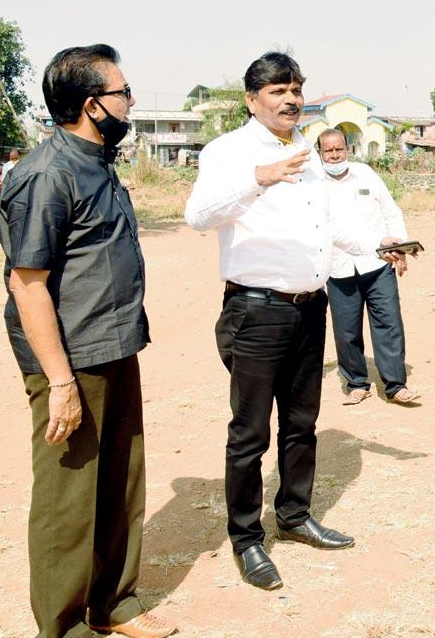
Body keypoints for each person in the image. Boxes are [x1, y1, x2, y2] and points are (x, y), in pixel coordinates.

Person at [0, 44, 176, 638]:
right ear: (91, 104)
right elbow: (28, 286)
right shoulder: (45, 174)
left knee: (120, 481)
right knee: (68, 499)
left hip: (115, 344)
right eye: (123, 93)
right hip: (70, 359)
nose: (130, 101)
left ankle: (112, 604)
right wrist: (59, 382)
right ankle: (63, 624)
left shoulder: (98, 161)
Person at [184, 52, 379, 591]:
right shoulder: (229, 152)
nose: (290, 99)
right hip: (256, 310)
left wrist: (380, 245)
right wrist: (258, 179)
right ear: (252, 99)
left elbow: (328, 222)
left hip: (308, 307)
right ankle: (247, 539)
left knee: (301, 423)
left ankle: (294, 516)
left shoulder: (306, 152)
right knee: (249, 432)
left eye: (295, 89)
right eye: (277, 90)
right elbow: (198, 216)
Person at [316, 128, 419, 405]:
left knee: (389, 323)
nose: (335, 154)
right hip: (339, 268)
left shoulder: (365, 174)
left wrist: (401, 249)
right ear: (320, 153)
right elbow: (329, 230)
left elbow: (390, 212)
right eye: (329, 150)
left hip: (377, 265)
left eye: (339, 149)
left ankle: (396, 385)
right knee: (346, 330)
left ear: (347, 149)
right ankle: (356, 383)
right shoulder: (313, 184)